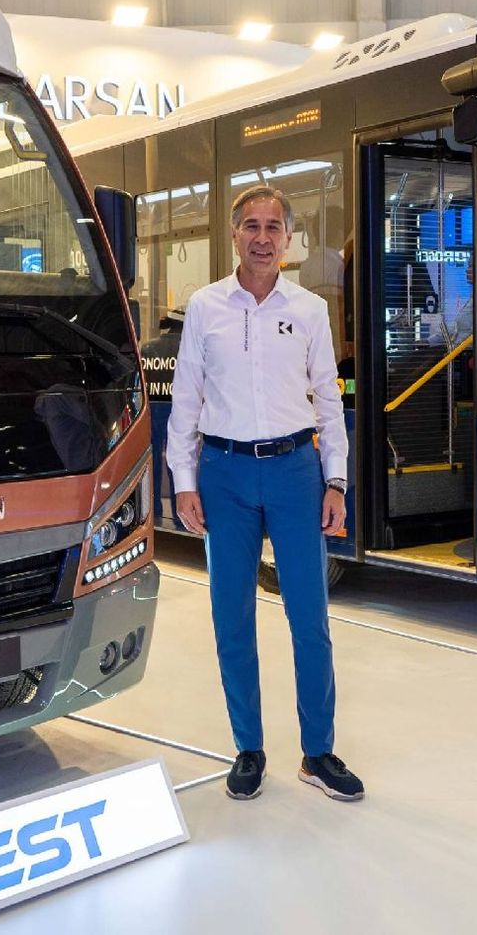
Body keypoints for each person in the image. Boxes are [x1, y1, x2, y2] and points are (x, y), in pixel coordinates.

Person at [167, 184, 364, 803]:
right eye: (250, 225)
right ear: (234, 235)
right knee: (232, 617)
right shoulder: (205, 307)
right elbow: (186, 399)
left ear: (288, 238)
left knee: (310, 618)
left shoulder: (309, 310)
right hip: (223, 474)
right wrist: (184, 482)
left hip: (295, 473)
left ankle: (318, 752)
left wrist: (336, 481)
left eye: (272, 227)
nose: (261, 237)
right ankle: (248, 748)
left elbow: (329, 401)